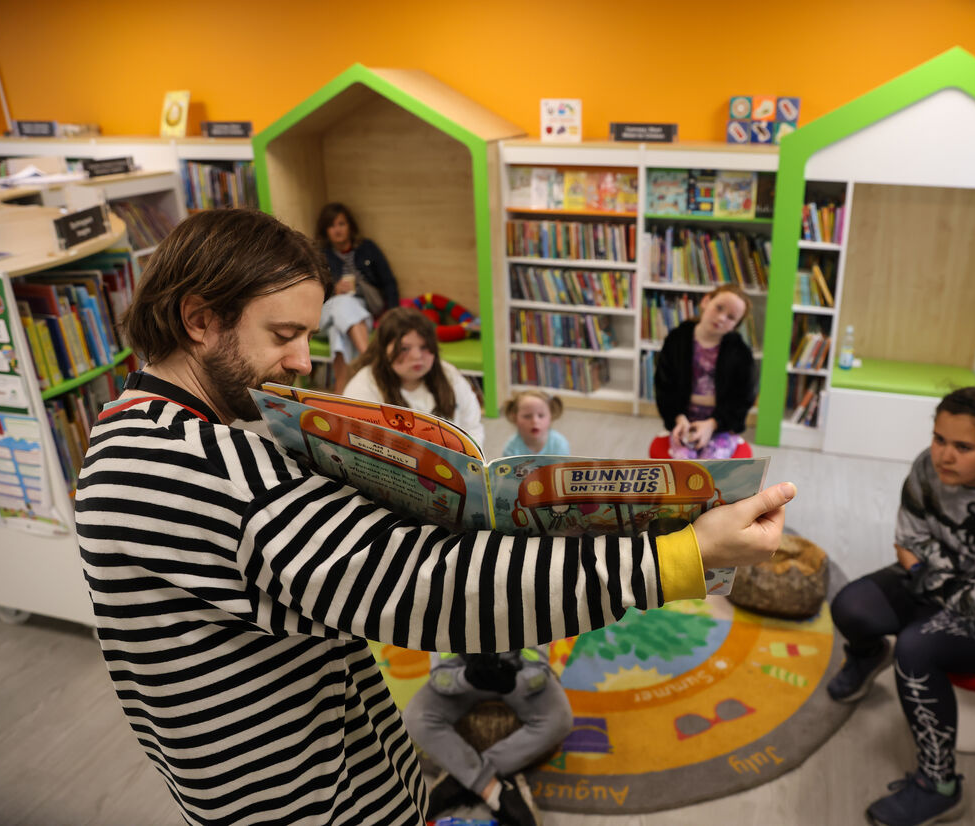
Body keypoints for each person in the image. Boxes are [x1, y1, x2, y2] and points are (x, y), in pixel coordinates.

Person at [73, 208, 795, 826]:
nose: (301, 361)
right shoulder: (210, 465)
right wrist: (683, 555)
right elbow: (435, 590)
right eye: (283, 334)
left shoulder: (131, 429)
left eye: (309, 335)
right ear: (199, 319)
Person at [825, 387, 975, 826]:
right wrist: (934, 571)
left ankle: (941, 786)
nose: (943, 456)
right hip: (952, 588)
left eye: (963, 446)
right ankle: (868, 657)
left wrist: (926, 571)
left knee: (916, 649)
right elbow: (907, 539)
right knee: (849, 606)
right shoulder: (931, 465)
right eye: (939, 438)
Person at [403, 645, 571, 825]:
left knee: (560, 719)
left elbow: (538, 669)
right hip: (465, 679)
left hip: (516, 677)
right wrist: (466, 678)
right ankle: (491, 788)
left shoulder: (529, 615)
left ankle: (462, 778)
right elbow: (440, 676)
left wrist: (515, 682)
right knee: (414, 717)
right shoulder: (446, 618)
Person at [343, 306, 486, 449]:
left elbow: (472, 428)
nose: (417, 356)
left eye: (424, 347)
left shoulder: (448, 374)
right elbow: (356, 442)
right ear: (384, 349)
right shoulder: (364, 386)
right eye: (404, 348)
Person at [653, 283, 757, 459]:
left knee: (712, 466)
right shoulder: (677, 339)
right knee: (682, 463)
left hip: (720, 423)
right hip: (684, 419)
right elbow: (664, 385)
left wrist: (712, 424)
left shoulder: (741, 353)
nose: (722, 318)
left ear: (735, 325)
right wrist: (678, 419)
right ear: (706, 301)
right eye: (719, 308)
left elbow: (743, 399)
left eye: (731, 317)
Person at [316, 202, 400, 392]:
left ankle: (341, 390)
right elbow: (310, 292)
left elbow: (389, 282)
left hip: (362, 310)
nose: (337, 230)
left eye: (341, 224)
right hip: (327, 311)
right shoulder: (320, 255)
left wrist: (394, 315)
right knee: (342, 303)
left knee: (339, 332)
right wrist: (332, 289)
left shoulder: (368, 248)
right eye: (331, 226)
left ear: (350, 226)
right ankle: (370, 359)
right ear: (325, 230)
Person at [501, 389, 569, 456]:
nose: (535, 421)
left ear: (551, 416)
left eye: (541, 416)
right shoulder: (511, 449)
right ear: (515, 418)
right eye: (527, 416)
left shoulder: (559, 445)